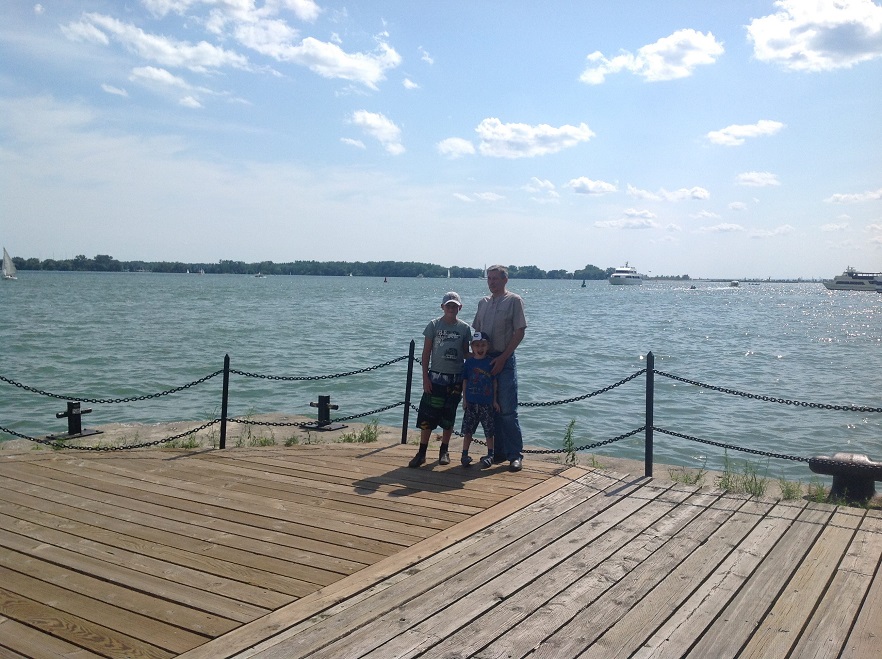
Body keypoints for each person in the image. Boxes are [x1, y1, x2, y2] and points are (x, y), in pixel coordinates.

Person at [472, 265, 527, 471]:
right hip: (485, 361)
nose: (492, 282)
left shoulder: (514, 301)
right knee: (491, 409)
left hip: (504, 359)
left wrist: (503, 358)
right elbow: (477, 333)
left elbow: (519, 331)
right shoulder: (483, 303)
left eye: (495, 278)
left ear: (505, 280)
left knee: (507, 410)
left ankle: (515, 455)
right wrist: (474, 359)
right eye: (489, 278)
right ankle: (498, 452)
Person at [408, 291, 472, 468]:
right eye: (448, 305)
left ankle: (444, 450)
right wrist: (425, 377)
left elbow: (465, 353)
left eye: (454, 306)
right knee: (427, 415)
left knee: (448, 417)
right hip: (435, 377)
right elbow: (426, 353)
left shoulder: (464, 328)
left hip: (456, 379)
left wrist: (481, 357)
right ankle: (421, 452)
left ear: (460, 308)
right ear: (442, 307)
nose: (451, 308)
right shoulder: (434, 325)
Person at [459, 331, 499, 468]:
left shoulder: (490, 363)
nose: (480, 348)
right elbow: (465, 381)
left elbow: (494, 382)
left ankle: (490, 454)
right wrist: (464, 399)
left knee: (489, 430)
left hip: (486, 403)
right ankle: (464, 454)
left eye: (483, 345)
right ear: (472, 347)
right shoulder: (469, 363)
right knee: (468, 430)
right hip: (471, 402)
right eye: (477, 345)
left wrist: (494, 401)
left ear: (488, 346)